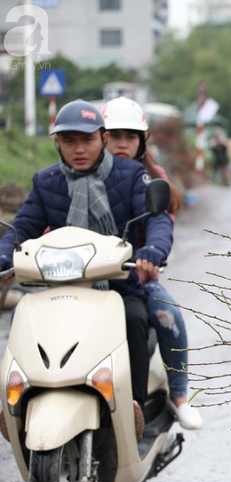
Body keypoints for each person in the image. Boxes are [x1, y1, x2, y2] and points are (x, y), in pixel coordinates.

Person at [0, 99, 174, 441]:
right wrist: (4, 255)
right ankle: (18, 398)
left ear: (102, 138)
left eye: (87, 140)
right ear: (57, 144)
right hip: (60, 284)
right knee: (25, 317)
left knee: (135, 317)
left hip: (118, 282)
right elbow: (22, 228)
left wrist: (152, 250)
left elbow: (156, 220)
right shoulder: (46, 181)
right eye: (69, 141)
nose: (79, 149)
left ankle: (134, 403)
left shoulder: (130, 176)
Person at [101, 96, 203, 430]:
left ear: (142, 141)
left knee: (166, 313)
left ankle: (178, 394)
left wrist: (151, 254)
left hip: (136, 276)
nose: (121, 144)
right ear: (100, 136)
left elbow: (161, 223)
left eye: (130, 137)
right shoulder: (83, 175)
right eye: (114, 136)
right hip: (83, 276)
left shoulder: (149, 178)